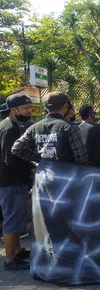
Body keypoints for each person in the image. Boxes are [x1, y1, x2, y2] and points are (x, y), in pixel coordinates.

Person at [0, 95, 34, 270]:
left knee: (17, 218)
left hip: (13, 181)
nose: (29, 111)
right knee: (12, 220)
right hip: (10, 182)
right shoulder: (10, 128)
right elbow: (11, 159)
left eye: (30, 107)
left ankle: (18, 251)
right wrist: (31, 167)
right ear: (14, 110)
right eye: (26, 108)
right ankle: (10, 259)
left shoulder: (11, 126)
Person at [12, 92, 88, 164]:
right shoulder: (70, 127)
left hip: (43, 175)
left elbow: (17, 148)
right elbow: (82, 159)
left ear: (46, 108)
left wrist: (40, 160)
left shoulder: (34, 128)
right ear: (65, 105)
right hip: (66, 175)